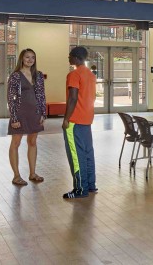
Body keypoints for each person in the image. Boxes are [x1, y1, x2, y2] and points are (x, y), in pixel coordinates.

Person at [8, 49, 48, 186]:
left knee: (32, 142)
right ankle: (16, 176)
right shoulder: (15, 76)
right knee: (15, 143)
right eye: (27, 57)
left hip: (35, 113)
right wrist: (14, 117)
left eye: (33, 57)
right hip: (20, 113)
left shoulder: (38, 75)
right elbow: (10, 98)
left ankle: (32, 173)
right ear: (22, 59)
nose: (30, 60)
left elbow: (41, 95)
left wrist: (43, 113)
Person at [62, 46, 97, 199]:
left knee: (76, 156)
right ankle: (90, 185)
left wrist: (66, 118)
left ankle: (80, 189)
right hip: (87, 119)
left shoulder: (74, 74)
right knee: (88, 153)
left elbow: (73, 97)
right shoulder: (90, 75)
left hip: (75, 121)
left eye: (70, 56)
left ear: (76, 57)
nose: (68, 58)